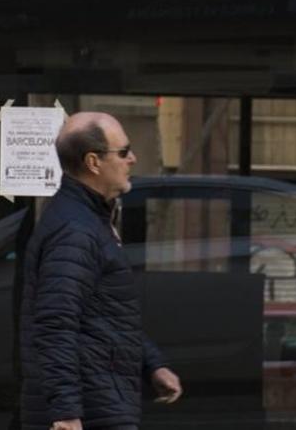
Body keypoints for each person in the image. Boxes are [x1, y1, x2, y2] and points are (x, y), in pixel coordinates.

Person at [20, 111, 182, 430]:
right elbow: (56, 323)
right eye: (123, 152)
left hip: (100, 402)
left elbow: (104, 314)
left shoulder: (88, 220)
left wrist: (151, 363)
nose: (132, 159)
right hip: (90, 410)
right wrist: (66, 413)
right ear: (94, 162)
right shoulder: (74, 230)